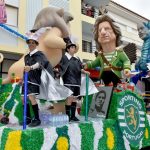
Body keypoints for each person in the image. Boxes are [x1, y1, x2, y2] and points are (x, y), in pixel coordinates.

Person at [84, 15, 131, 87]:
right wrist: (87, 65)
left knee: (115, 89)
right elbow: (94, 63)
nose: (102, 32)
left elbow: (126, 60)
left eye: (107, 28)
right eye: (99, 30)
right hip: (104, 78)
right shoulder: (101, 55)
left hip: (116, 78)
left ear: (115, 33)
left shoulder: (119, 52)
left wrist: (127, 68)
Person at [21, 34, 54, 127]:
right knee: (23, 99)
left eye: (33, 42)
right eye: (29, 43)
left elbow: (40, 64)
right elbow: (25, 68)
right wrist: (22, 78)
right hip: (26, 79)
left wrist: (31, 67)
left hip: (34, 79)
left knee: (31, 97)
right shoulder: (26, 56)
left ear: (36, 44)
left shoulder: (39, 54)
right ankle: (27, 118)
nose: (31, 44)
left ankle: (37, 119)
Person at [59, 41, 89, 121]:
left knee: (75, 98)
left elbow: (80, 68)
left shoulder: (77, 58)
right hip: (68, 81)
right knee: (69, 98)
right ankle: (67, 116)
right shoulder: (64, 57)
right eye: (72, 47)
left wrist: (85, 71)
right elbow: (61, 68)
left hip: (77, 81)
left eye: (74, 47)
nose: (74, 49)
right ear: (68, 49)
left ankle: (73, 116)